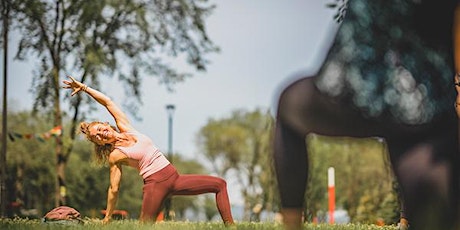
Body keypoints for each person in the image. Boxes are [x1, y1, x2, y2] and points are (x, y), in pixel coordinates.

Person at [273, 1, 460, 230]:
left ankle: (290, 225)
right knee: (427, 180)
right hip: (423, 106)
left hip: (352, 90)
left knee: (289, 105)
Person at [62, 76, 234, 225]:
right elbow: (114, 188)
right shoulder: (116, 155)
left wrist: (84, 88)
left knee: (219, 184)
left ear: (105, 124)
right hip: (155, 185)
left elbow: (108, 102)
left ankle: (231, 226)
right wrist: (108, 217)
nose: (100, 134)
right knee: (144, 225)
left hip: (175, 178)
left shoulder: (125, 127)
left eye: (99, 129)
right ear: (98, 144)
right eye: (96, 137)